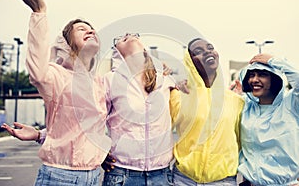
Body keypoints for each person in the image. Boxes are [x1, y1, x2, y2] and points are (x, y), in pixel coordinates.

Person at [3, 0, 111, 185]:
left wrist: (39, 135)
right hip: (61, 177)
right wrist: (39, 13)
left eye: (91, 29)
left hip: (95, 176)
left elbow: (81, 130)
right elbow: (38, 69)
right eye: (81, 29)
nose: (90, 30)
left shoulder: (99, 83)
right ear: (67, 44)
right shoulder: (57, 76)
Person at [101, 33, 175, 185]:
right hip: (122, 174)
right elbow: (94, 119)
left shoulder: (165, 79)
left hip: (161, 175)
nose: (129, 35)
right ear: (117, 51)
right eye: (122, 37)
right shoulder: (110, 79)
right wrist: (100, 152)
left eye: (134, 35)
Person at [170, 38, 244, 185]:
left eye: (210, 48)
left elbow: (243, 142)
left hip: (223, 181)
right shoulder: (178, 96)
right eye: (198, 51)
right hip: (184, 180)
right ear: (190, 62)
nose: (207, 52)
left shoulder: (236, 100)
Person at [238, 53, 299, 186]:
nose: (254, 80)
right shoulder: (246, 107)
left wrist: (274, 61)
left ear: (275, 79)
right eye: (252, 75)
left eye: (262, 74)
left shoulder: (291, 105)